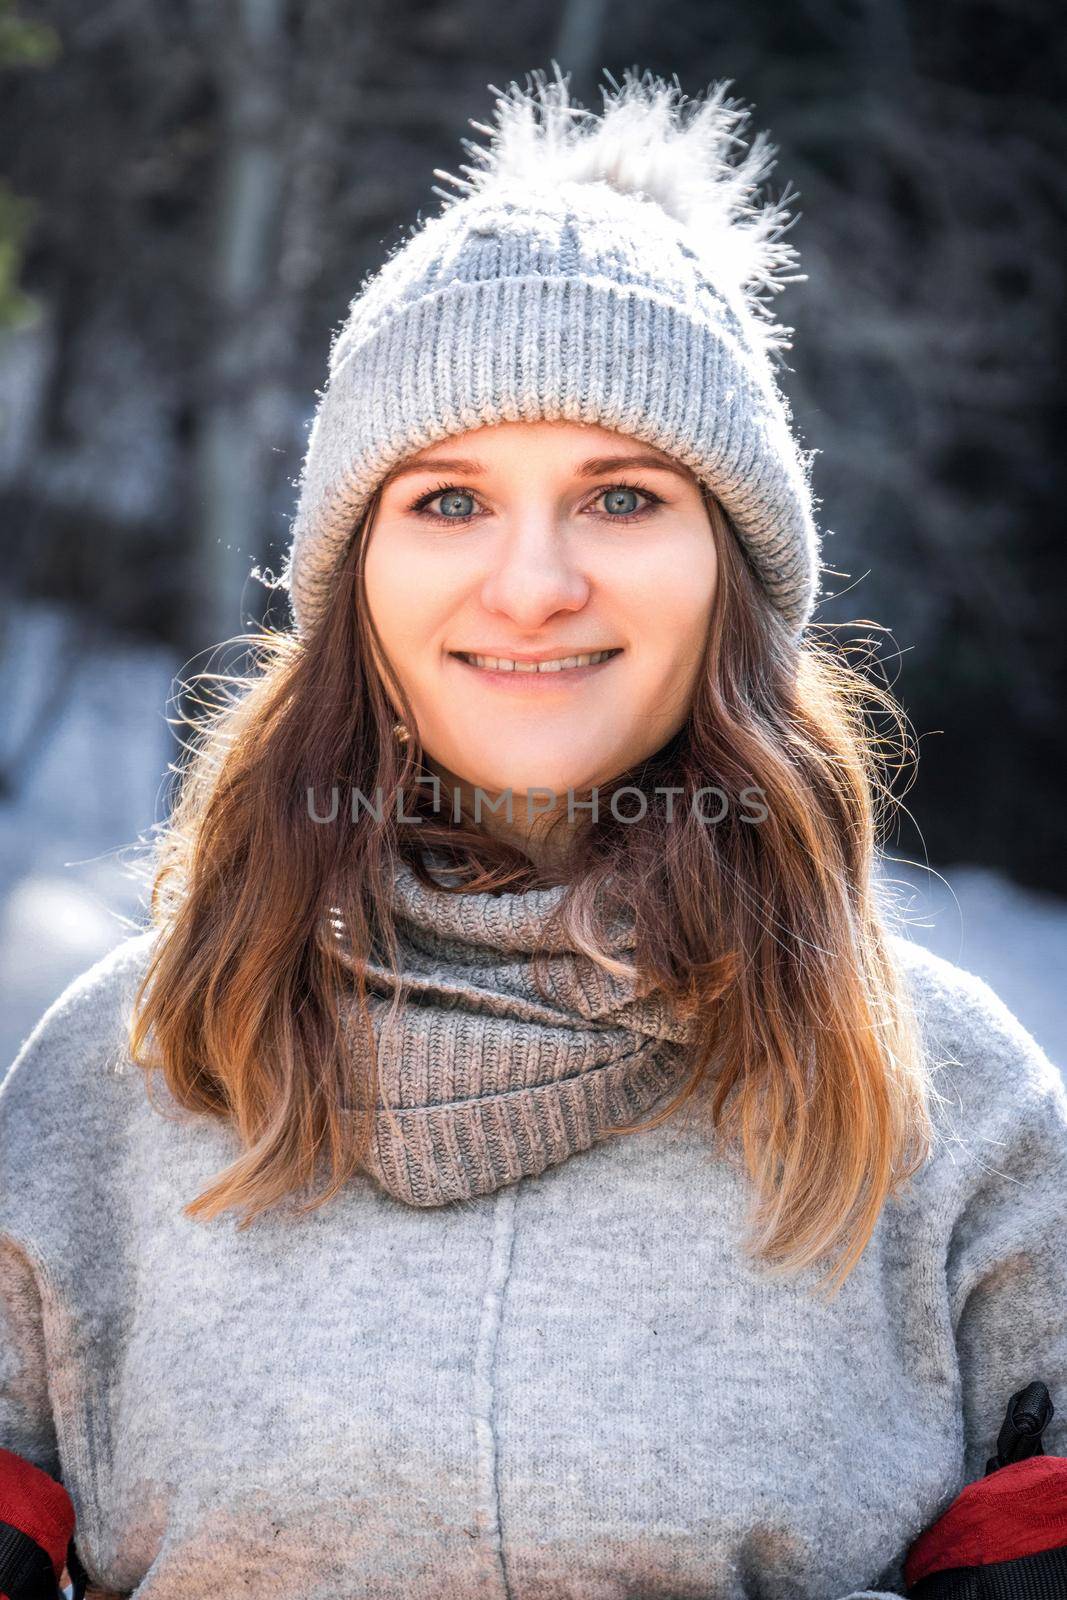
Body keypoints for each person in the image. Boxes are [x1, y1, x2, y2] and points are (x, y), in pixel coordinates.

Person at [3, 66, 1065, 1600]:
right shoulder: (110, 1087)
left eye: (622, 497)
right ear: (350, 572)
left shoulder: (950, 1107)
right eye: (447, 503)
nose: (532, 583)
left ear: (736, 572)